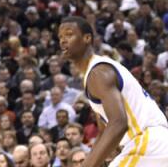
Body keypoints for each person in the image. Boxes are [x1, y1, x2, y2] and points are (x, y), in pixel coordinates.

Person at [58, 16, 168, 167]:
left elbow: (118, 123)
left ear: (87, 38)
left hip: (147, 143)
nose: (63, 40)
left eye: (69, 34)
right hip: (154, 144)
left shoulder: (98, 73)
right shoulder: (95, 73)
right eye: (60, 37)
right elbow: (104, 131)